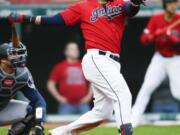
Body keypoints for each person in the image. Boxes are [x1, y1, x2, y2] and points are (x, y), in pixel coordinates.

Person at [8, 0, 145, 134]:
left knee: (102, 112)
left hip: (113, 61)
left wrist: (135, 3)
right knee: (123, 95)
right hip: (97, 58)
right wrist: (24, 18)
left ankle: (59, 133)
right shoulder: (83, 6)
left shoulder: (118, 4)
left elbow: (130, 10)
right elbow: (56, 20)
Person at [131, 0, 180, 127]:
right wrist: (154, 35)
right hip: (159, 59)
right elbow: (144, 39)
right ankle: (132, 121)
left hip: (175, 59)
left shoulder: (178, 19)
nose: (173, 6)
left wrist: (173, 39)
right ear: (165, 5)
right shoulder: (156, 19)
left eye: (175, 3)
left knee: (178, 93)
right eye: (171, 3)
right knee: (146, 88)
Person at [0, 25, 46, 135]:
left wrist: (39, 123)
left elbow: (39, 101)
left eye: (19, 54)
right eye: (14, 55)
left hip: (3, 109)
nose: (19, 58)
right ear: (3, 60)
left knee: (30, 111)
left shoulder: (23, 74)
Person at [47, 42, 92, 114]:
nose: (75, 51)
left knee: (88, 124)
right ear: (66, 52)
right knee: (63, 124)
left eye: (76, 49)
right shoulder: (60, 67)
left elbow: (92, 82)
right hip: (66, 105)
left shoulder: (84, 65)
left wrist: (89, 96)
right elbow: (50, 84)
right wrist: (58, 97)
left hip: (82, 104)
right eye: (72, 49)